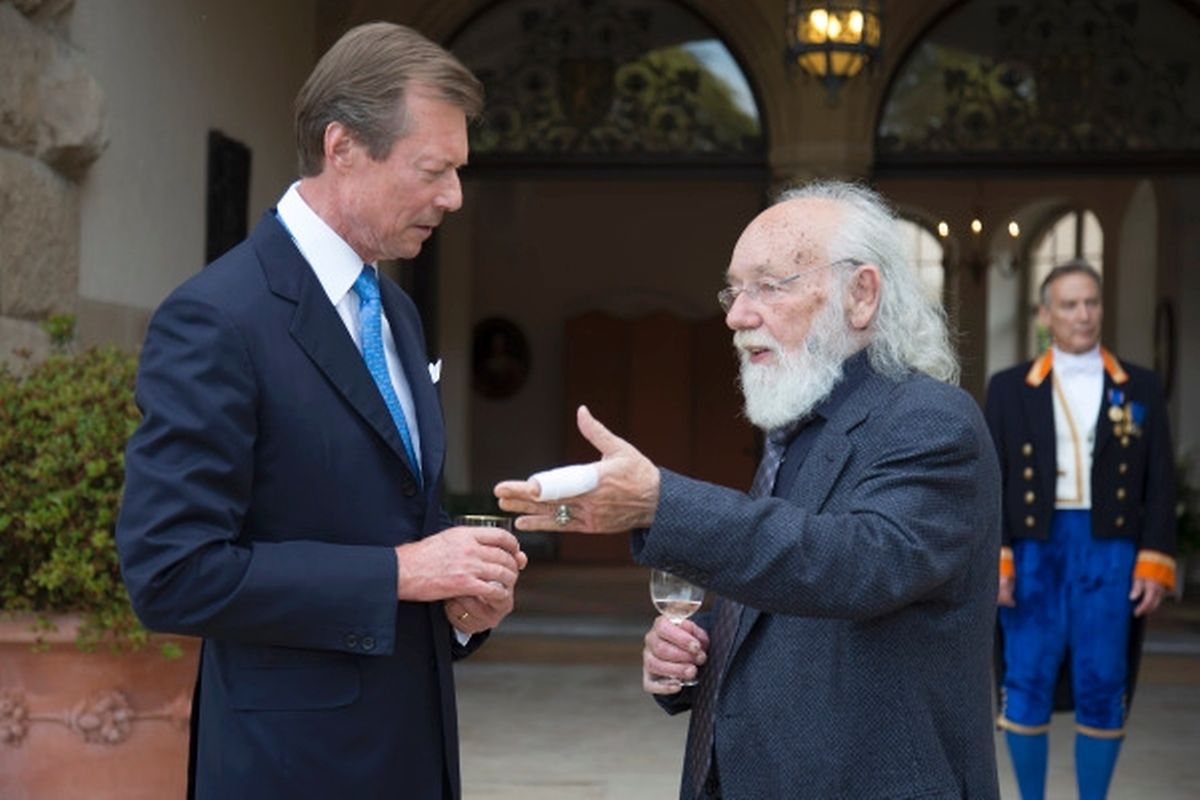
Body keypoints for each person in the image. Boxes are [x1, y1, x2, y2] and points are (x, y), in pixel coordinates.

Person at [116, 23, 527, 800]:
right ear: (343, 148)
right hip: (289, 770)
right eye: (434, 170)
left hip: (414, 757)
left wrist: (462, 603)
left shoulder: (396, 313)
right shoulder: (216, 318)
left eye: (459, 171)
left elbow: (397, 527)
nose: (455, 196)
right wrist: (403, 572)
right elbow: (169, 573)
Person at [496, 181, 1001, 799]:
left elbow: (852, 566)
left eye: (768, 285)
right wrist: (701, 647)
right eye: (734, 290)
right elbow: (788, 585)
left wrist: (662, 502)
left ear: (861, 295)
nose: (736, 316)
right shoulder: (798, 423)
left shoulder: (932, 421)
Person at [985, 260, 1176, 800]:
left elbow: (1158, 477)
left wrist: (1154, 559)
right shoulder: (1008, 388)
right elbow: (991, 479)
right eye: (1069, 304)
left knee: (1103, 679)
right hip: (1031, 549)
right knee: (1025, 680)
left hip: (1110, 549)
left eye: (1091, 302)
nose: (1083, 314)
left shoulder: (1138, 385)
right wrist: (997, 558)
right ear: (1046, 314)